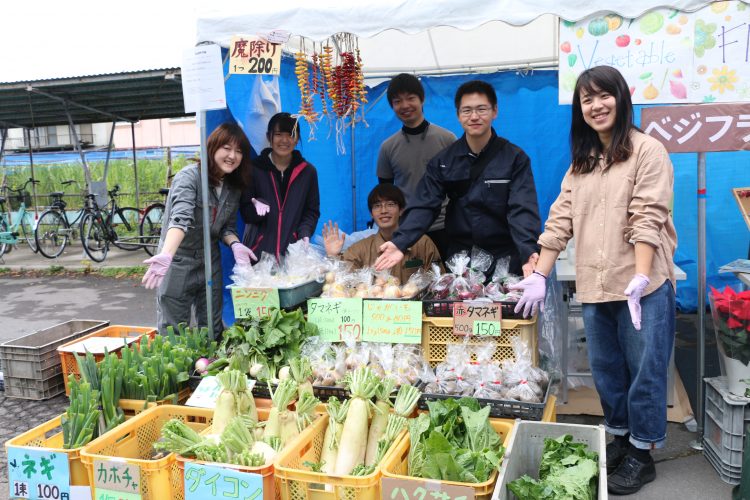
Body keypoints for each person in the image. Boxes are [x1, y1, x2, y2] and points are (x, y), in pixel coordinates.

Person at [510, 66, 677, 495]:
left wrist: (641, 275)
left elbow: (648, 217)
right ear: (579, 110)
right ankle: (621, 437)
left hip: (643, 287)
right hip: (597, 283)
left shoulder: (647, 151)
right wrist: (540, 274)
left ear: (621, 99)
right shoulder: (582, 163)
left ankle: (643, 453)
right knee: (607, 370)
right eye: (587, 99)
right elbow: (560, 219)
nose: (596, 106)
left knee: (645, 370)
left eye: (604, 96)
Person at [375, 79, 541, 277]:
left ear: (494, 111)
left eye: (481, 109)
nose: (474, 116)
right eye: (467, 111)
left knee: (502, 308)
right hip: (462, 260)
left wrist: (528, 250)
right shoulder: (444, 161)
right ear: (458, 115)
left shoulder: (515, 158)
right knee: (463, 308)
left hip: (506, 258)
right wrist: (400, 242)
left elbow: (522, 209)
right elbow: (424, 205)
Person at [141, 123, 256, 336]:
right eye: (227, 148)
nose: (232, 156)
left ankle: (208, 367)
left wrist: (235, 244)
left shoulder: (233, 186)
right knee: (173, 332)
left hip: (209, 261)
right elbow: (180, 219)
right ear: (212, 147)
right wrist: (166, 254)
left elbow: (226, 227)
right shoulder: (190, 177)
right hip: (177, 261)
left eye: (239, 151)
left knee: (212, 329)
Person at [377, 73, 455, 259]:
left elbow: (460, 188)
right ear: (392, 106)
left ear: (422, 99)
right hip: (407, 231)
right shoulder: (388, 147)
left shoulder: (447, 139)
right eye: (397, 101)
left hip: (446, 228)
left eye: (411, 98)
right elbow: (385, 193)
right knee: (410, 284)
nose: (405, 106)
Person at [322, 184, 442, 283]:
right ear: (371, 214)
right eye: (377, 206)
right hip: (374, 311)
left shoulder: (423, 243)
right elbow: (341, 282)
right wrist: (333, 256)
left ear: (401, 210)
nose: (384, 211)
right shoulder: (360, 249)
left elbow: (440, 281)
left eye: (390, 204)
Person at [240, 112, 320, 260]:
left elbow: (311, 211)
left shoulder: (308, 172)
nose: (284, 140)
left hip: (293, 255)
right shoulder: (253, 169)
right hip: (258, 255)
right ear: (268, 136)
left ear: (297, 139)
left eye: (291, 134)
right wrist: (256, 208)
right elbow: (245, 213)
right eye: (278, 134)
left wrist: (304, 234)